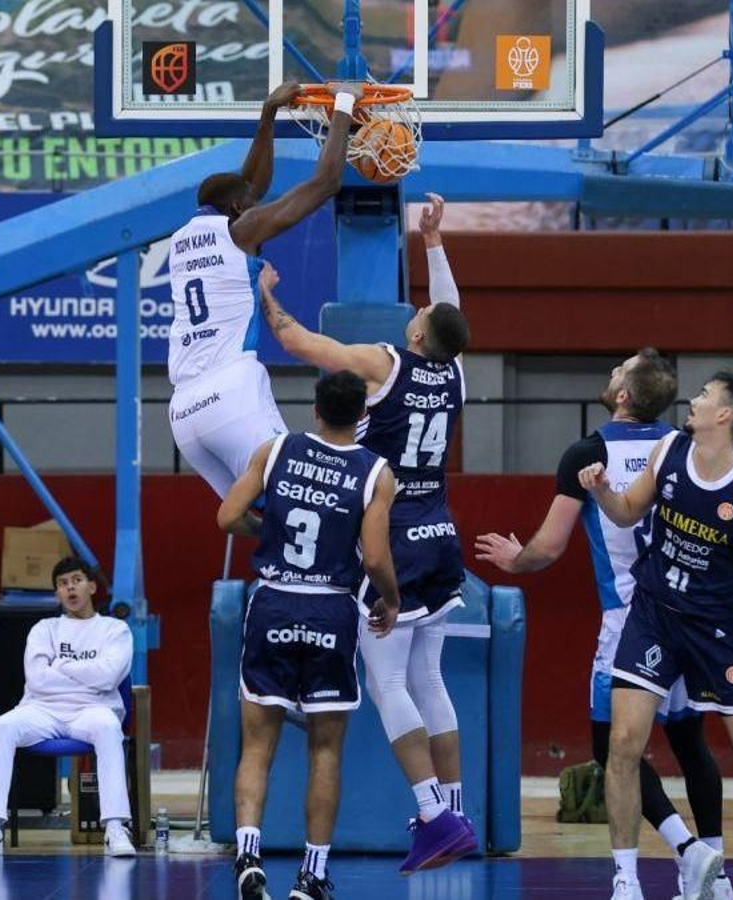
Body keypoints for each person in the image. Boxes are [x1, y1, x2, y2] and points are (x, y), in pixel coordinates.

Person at [256, 195, 477, 873]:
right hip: (443, 532)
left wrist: (266, 295)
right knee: (428, 676)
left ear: (416, 335)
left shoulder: (387, 363)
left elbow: (300, 343)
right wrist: (434, 243)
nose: (417, 311)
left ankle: (434, 817)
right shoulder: (454, 372)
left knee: (386, 685)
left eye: (419, 316)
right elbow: (452, 313)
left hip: (399, 539)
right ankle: (458, 809)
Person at [474, 349, 733, 900]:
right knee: (691, 742)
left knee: (609, 747)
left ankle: (678, 855)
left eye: (619, 369)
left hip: (629, 619)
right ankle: (717, 872)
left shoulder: (588, 453)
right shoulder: (684, 448)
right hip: (689, 612)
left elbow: (548, 546)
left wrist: (515, 559)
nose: (612, 372)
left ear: (622, 396)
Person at [582, 372, 733, 900]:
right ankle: (626, 881)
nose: (696, 399)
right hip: (654, 612)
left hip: (717, 627)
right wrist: (601, 490)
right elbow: (626, 511)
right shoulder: (668, 449)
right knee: (621, 743)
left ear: (725, 415)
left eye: (706, 394)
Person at [218, 370, 401, 900]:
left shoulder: (275, 450)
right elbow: (374, 558)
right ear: (362, 416)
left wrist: (265, 528)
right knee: (325, 750)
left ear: (315, 409)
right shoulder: (375, 473)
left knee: (257, 745)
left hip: (273, 601)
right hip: (330, 612)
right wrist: (391, 599)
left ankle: (249, 858)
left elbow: (228, 516)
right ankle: (311, 876)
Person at [167, 80, 356, 498]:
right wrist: (345, 104)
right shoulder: (241, 230)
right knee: (299, 496)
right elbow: (325, 184)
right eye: (253, 203)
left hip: (183, 412)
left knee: (250, 513)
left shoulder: (180, 240)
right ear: (237, 210)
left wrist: (269, 113)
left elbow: (249, 185)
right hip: (229, 390)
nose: (260, 207)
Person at [0, 556, 136, 858]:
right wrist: (87, 673)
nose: (70, 589)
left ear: (92, 586)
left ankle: (115, 827)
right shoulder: (44, 629)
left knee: (109, 728)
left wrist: (62, 664)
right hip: (42, 710)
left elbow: (108, 678)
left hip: (93, 710)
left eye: (77, 581)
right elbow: (38, 679)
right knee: (2, 727)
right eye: (62, 584)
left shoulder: (114, 629)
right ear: (56, 593)